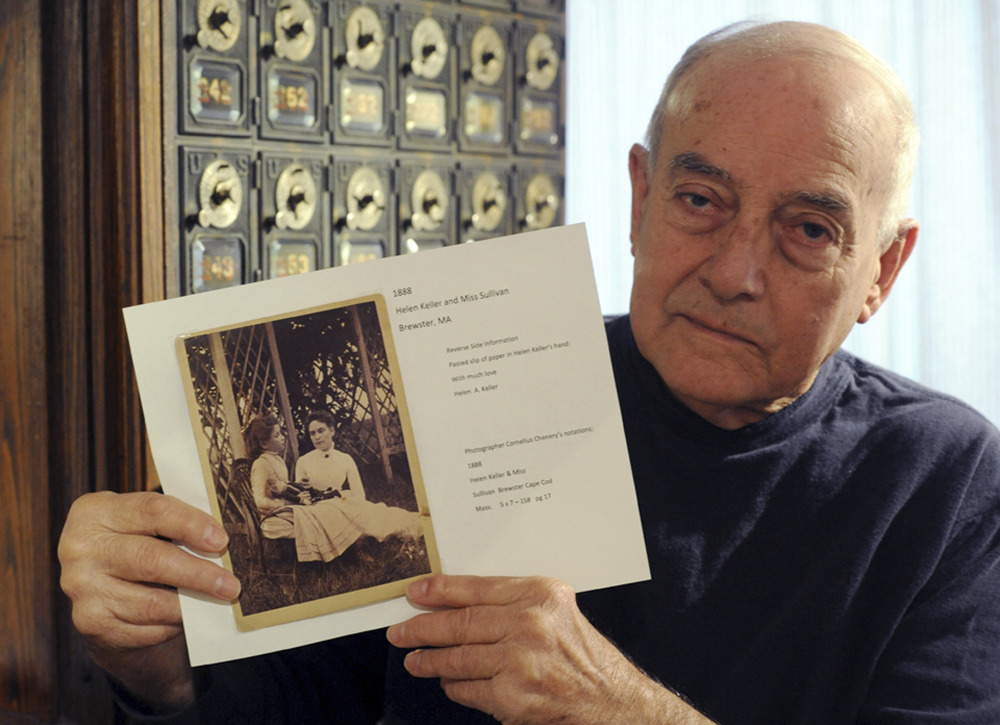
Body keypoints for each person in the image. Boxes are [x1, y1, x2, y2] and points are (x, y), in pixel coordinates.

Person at [57, 20, 1000, 724]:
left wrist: (618, 707)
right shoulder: (482, 375)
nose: (733, 272)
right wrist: (159, 661)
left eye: (808, 230)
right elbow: (299, 703)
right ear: (639, 199)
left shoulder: (949, 479)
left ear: (882, 269)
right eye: (701, 199)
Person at [245, 412, 423, 562]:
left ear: (332, 430)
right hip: (314, 507)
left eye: (321, 431)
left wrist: (347, 501)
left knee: (370, 510)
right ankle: (357, 549)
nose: (317, 437)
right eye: (313, 433)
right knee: (343, 510)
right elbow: (297, 494)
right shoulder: (303, 461)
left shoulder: (345, 459)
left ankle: (397, 531)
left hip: (340, 502)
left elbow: (358, 494)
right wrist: (302, 493)